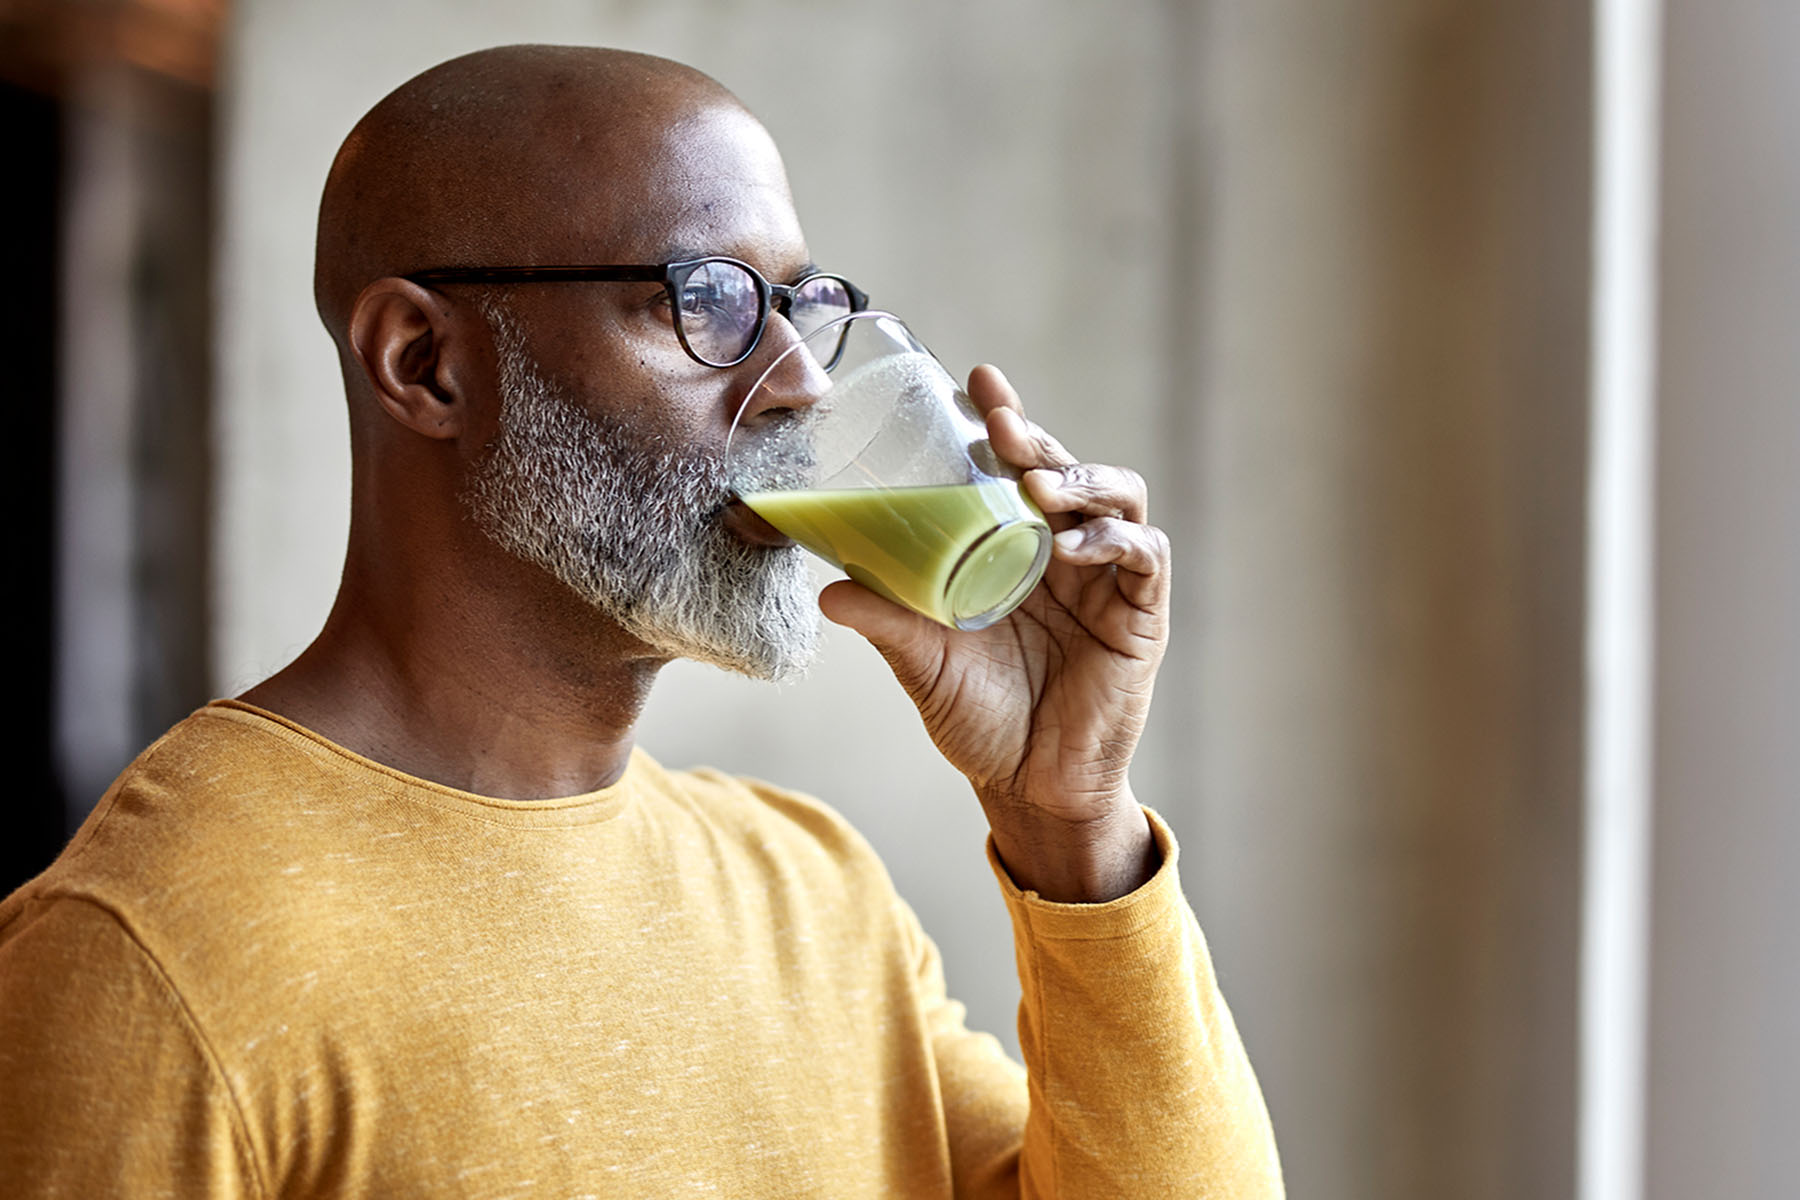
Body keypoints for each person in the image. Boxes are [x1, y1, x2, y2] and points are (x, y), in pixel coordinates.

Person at [0, 45, 1283, 1197]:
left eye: (801, 306)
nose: (799, 383)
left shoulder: (812, 894)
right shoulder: (152, 953)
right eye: (710, 301)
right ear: (425, 364)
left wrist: (1072, 821)